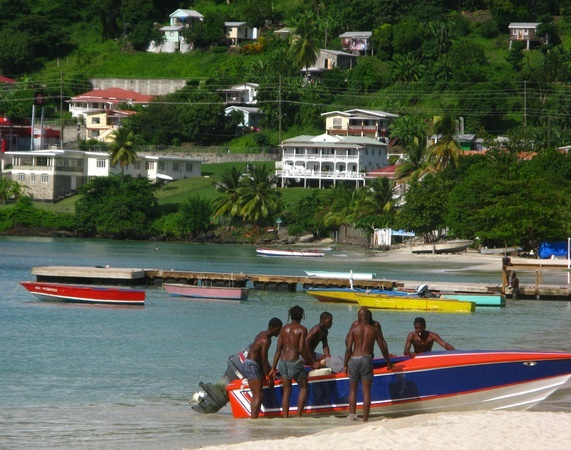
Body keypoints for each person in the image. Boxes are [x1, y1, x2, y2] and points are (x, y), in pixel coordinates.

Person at [343, 308, 393, 422]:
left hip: (354, 359)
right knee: (366, 391)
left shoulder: (353, 330)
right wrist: (388, 363)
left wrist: (345, 364)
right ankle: (365, 419)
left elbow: (348, 348)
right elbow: (383, 348)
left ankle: (352, 416)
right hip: (367, 359)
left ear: (359, 317)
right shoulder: (374, 330)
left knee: (353, 390)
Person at [270, 305, 320, 418]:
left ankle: (285, 417)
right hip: (294, 362)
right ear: (301, 316)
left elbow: (278, 350)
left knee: (287, 391)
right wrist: (313, 363)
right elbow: (301, 349)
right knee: (303, 388)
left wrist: (273, 368)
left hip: (282, 362)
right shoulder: (302, 329)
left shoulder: (283, 329)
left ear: (291, 316)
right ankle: (298, 416)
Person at [242, 317, 283, 419]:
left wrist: (267, 373)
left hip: (250, 363)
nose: (279, 332)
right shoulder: (266, 340)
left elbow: (261, 359)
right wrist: (269, 377)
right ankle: (254, 419)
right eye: (278, 329)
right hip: (252, 365)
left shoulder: (262, 334)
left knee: (257, 394)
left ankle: (254, 418)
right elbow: (264, 360)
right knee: (258, 395)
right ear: (272, 328)